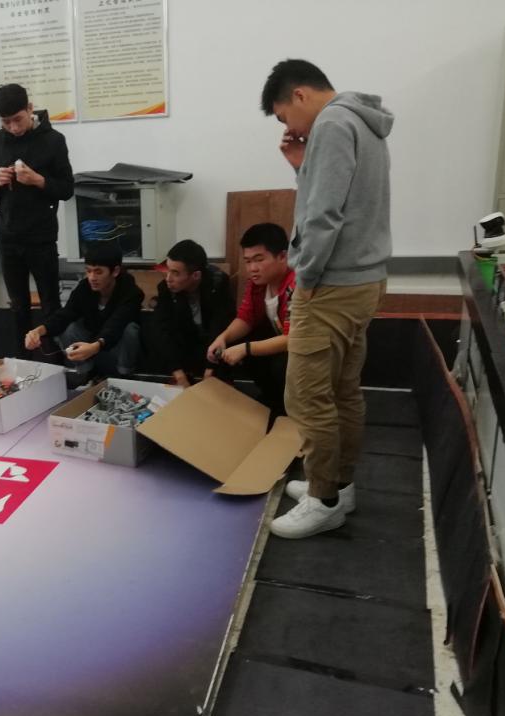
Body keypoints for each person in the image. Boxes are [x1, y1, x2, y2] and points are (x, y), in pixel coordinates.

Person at [259, 59, 392, 539]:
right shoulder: (364, 121)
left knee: (306, 395)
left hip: (331, 284)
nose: (290, 128)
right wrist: (303, 166)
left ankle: (323, 500)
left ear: (299, 95)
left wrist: (307, 278)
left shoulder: (333, 123)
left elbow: (323, 215)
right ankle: (338, 484)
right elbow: (337, 197)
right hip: (364, 279)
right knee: (341, 390)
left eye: (284, 116)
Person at [0, 83, 74, 357]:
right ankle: (23, 363)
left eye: (18, 119)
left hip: (41, 236)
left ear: (30, 109)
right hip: (7, 236)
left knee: (50, 303)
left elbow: (66, 189)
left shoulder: (53, 140)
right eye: (5, 122)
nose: (13, 127)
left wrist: (38, 180)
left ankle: (55, 360)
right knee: (18, 305)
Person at [24, 244, 143, 387]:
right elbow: (65, 315)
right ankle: (85, 375)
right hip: (90, 347)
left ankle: (125, 376)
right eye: (88, 271)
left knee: (130, 329)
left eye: (98, 272)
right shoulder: (84, 288)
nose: (92, 277)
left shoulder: (131, 292)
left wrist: (95, 346)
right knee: (69, 328)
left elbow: (116, 324)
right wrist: (38, 331)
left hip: (114, 348)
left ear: (115, 271)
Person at [206, 223, 295, 413]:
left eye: (259, 259)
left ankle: (285, 406)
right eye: (247, 261)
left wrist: (246, 348)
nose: (252, 268)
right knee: (235, 341)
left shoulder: (296, 283)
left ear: (282, 256)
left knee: (281, 363)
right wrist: (223, 337)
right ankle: (269, 396)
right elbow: (246, 318)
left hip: (300, 348)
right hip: (279, 337)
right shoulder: (257, 283)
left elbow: (292, 338)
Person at [151, 239, 234, 388]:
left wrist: (210, 370)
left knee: (231, 336)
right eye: (168, 270)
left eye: (175, 273)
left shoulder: (218, 283)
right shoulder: (165, 288)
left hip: (212, 344)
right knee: (156, 332)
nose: (168, 278)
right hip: (186, 343)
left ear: (196, 275)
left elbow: (220, 325)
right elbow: (162, 330)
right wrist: (178, 373)